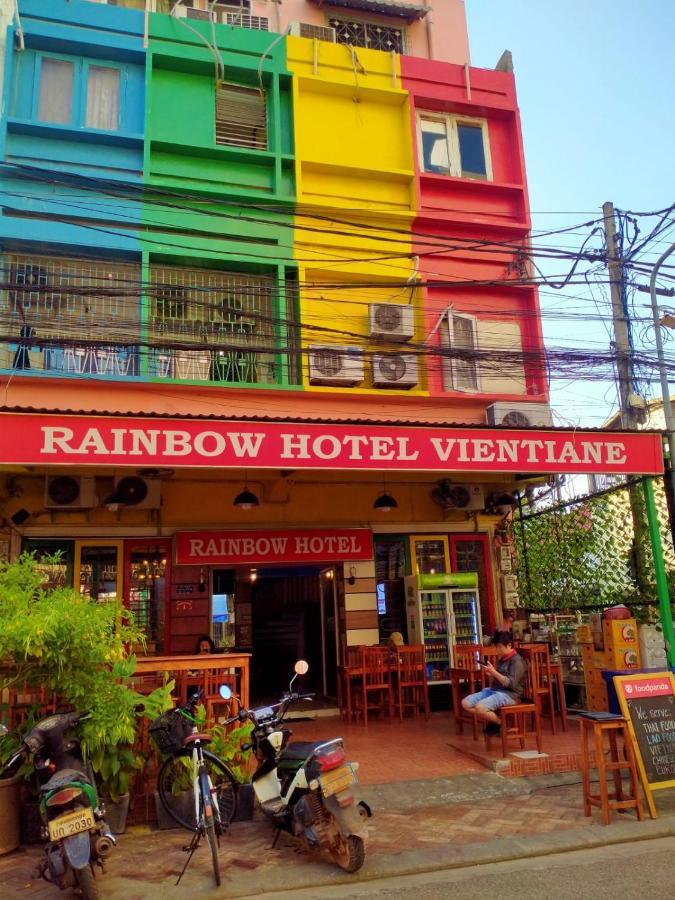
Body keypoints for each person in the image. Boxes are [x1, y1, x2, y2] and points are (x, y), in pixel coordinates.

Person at [460, 631, 527, 735]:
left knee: (480, 708)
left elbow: (511, 684)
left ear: (509, 645)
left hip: (510, 695)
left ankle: (498, 724)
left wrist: (494, 673)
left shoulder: (517, 661)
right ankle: (497, 721)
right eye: (497, 647)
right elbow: (500, 678)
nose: (498, 650)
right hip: (495, 690)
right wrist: (492, 674)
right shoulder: (502, 659)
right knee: (466, 703)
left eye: (500, 647)